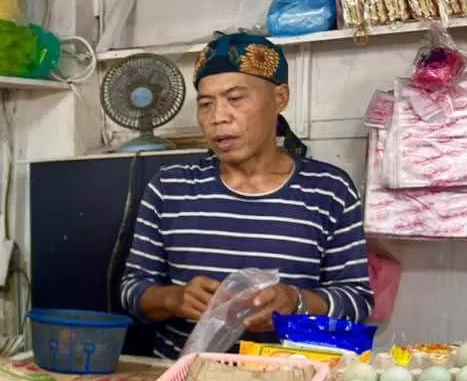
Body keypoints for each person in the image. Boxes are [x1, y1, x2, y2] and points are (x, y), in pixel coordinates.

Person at [119, 32, 373, 359]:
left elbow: (357, 300)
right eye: (206, 104)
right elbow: (131, 290)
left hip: (290, 379)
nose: (218, 118)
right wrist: (174, 299)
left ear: (280, 98)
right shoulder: (170, 188)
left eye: (235, 99)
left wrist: (295, 301)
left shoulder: (328, 190)